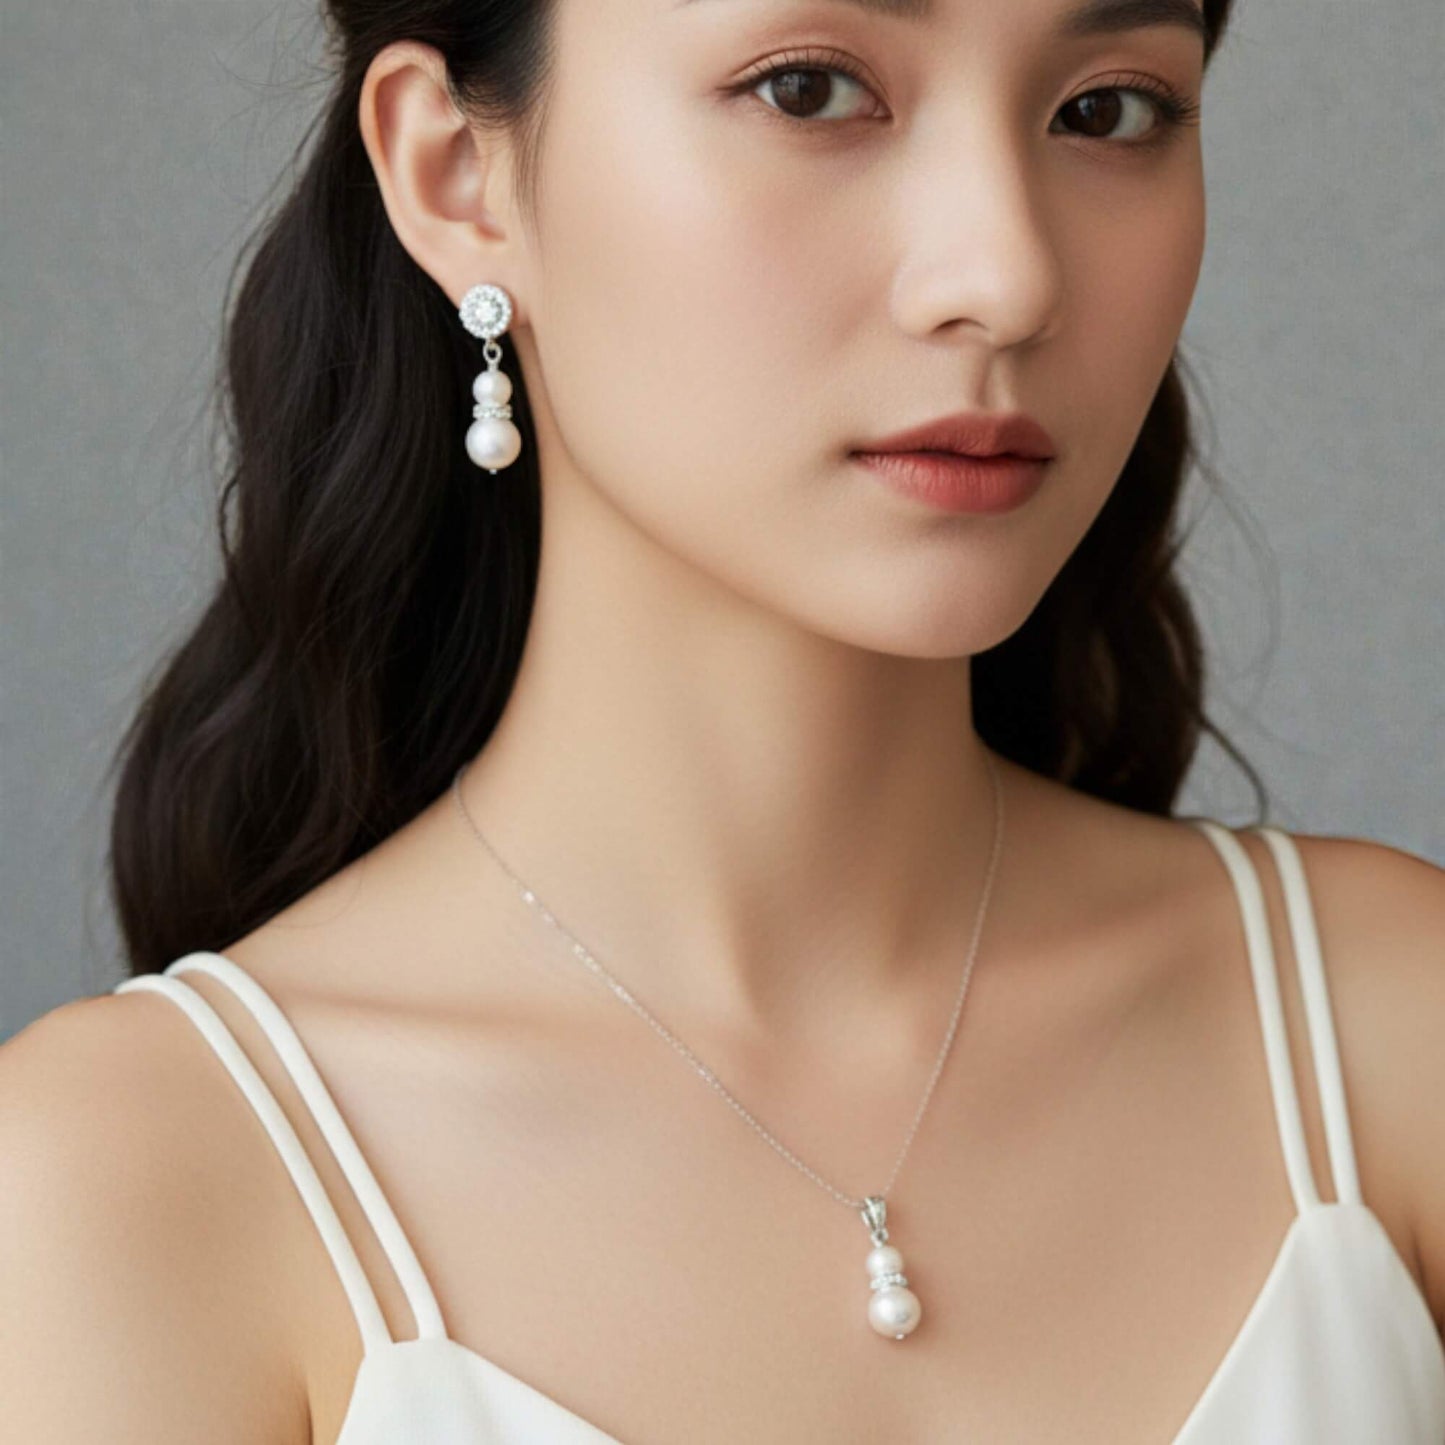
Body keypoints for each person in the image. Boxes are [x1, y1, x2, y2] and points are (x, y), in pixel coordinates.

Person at [3, 0, 1442, 1439]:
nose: (1004, 277)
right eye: (809, 90)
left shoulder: (1395, 1039)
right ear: (455, 171)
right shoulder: (127, 1187)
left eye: (1108, 110)